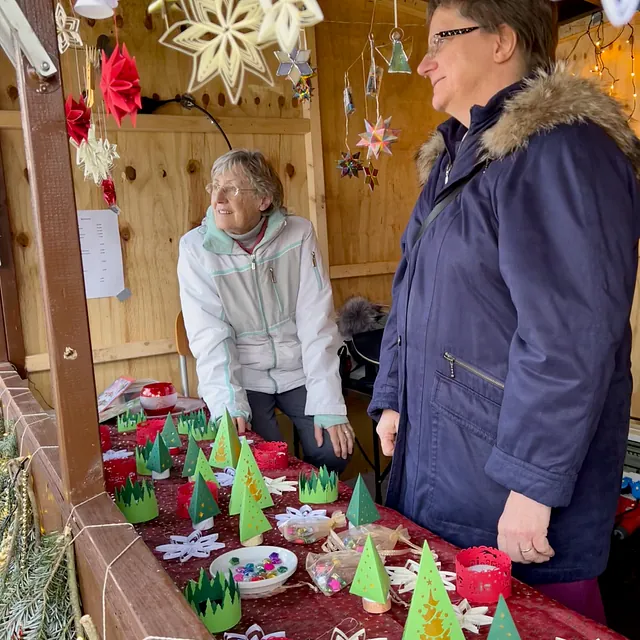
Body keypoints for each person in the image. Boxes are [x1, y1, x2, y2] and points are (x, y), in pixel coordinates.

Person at [370, 0, 640, 621]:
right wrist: (393, 394)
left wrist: (532, 484)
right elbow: (411, 288)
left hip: (511, 496)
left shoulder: (561, 151)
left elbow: (570, 335)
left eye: (442, 38)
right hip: (451, 462)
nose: (424, 60)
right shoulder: (454, 160)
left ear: (501, 43)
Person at [178, 149, 354, 473]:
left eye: (230, 189)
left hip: (298, 367)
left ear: (262, 199)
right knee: (261, 464)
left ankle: (322, 518)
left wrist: (329, 404)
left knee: (334, 452)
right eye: (214, 187)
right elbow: (210, 337)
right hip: (245, 376)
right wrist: (228, 406)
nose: (217, 198)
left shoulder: (299, 234)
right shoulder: (196, 250)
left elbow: (316, 320)